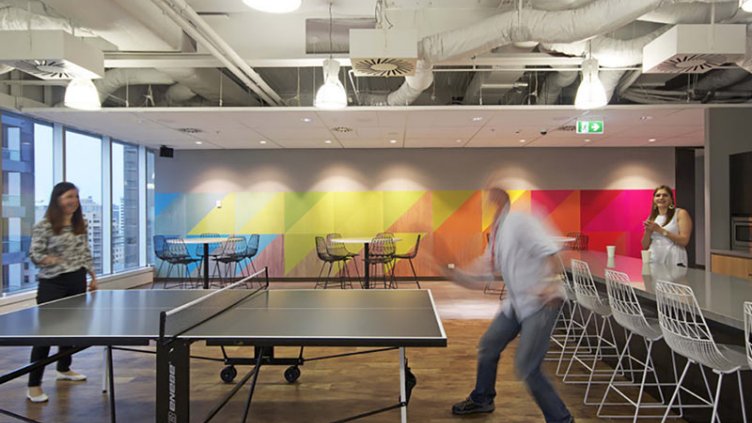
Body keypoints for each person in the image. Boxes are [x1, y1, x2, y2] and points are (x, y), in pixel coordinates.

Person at [444, 187, 573, 423]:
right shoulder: (497, 233)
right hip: (516, 304)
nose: (488, 201)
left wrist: (550, 284)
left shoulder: (519, 220)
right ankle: (482, 398)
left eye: (492, 197)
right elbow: (486, 271)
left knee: (527, 367)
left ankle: (561, 419)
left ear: (503, 199)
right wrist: (455, 275)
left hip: (541, 303)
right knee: (489, 345)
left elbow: (551, 251)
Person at [26, 182, 97, 403]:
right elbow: (34, 254)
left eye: (76, 196)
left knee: (70, 330)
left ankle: (63, 369)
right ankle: (33, 385)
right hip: (53, 284)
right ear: (57, 199)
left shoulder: (80, 223)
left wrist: (93, 276)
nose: (73, 201)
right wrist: (53, 259)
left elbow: (85, 251)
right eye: (69, 197)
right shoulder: (44, 225)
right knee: (45, 336)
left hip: (77, 280)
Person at [641, 185, 692, 267]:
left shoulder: (680, 213)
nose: (661, 198)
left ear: (671, 199)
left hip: (674, 258)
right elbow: (645, 245)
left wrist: (660, 230)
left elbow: (684, 241)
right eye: (658, 195)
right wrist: (648, 231)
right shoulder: (652, 217)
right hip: (654, 259)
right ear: (654, 200)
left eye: (665, 195)